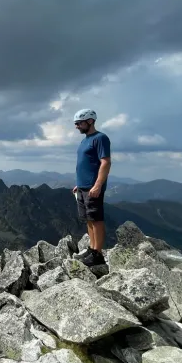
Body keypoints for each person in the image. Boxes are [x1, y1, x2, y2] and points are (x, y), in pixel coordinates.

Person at [71, 109, 111, 267]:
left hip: (93, 188)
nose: (77, 126)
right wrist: (79, 185)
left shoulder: (100, 138)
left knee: (96, 220)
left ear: (90, 121)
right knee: (88, 219)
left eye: (79, 123)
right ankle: (92, 249)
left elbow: (106, 162)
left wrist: (98, 185)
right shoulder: (84, 140)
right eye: (75, 124)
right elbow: (86, 164)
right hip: (82, 187)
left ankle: (98, 254)